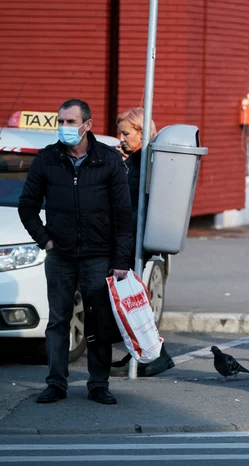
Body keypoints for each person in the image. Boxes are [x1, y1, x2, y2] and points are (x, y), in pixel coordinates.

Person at [18, 99, 133, 404]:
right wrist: (46, 241)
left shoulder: (108, 161)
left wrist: (121, 259)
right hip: (61, 255)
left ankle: (98, 383)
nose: (64, 128)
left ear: (87, 125)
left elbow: (124, 215)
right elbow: (27, 206)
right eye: (61, 121)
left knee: (99, 320)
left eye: (70, 122)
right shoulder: (47, 159)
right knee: (58, 320)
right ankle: (56, 382)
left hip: (98, 255)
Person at [109, 108, 174, 377]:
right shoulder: (136, 160)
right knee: (135, 300)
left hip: (133, 239)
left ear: (141, 132)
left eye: (126, 133)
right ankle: (145, 353)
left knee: (133, 301)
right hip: (131, 238)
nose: (121, 138)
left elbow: (134, 203)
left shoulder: (144, 161)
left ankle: (155, 355)